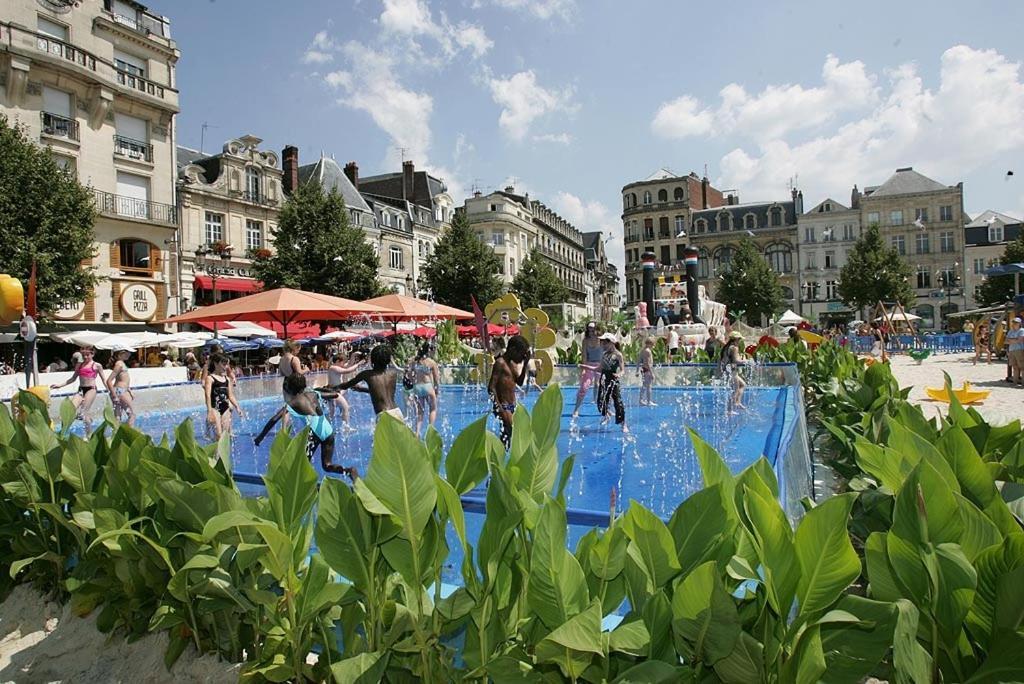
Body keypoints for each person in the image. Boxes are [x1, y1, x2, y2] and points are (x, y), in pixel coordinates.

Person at [255, 373, 356, 479]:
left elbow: (274, 419)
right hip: (328, 430)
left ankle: (301, 488)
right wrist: (330, 391)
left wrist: (260, 437)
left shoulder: (293, 402)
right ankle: (348, 470)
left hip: (314, 432)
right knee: (327, 465)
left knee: (299, 464)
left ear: (290, 389)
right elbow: (334, 395)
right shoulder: (314, 393)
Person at [324, 344, 404, 422]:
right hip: (398, 413)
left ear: (372, 360)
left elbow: (346, 385)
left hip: (384, 416)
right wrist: (363, 389)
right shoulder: (393, 373)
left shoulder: (366, 374)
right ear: (388, 360)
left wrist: (332, 388)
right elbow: (380, 392)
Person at [488, 335, 531, 449]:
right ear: (512, 350)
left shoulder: (511, 365)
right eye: (521, 354)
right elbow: (491, 388)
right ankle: (499, 453)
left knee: (508, 435)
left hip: (512, 406)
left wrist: (525, 363)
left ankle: (500, 455)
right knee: (509, 430)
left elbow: (520, 382)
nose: (522, 357)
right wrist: (499, 407)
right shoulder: (500, 363)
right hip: (503, 406)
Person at [50, 346, 105, 431]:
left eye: (87, 355)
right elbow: (73, 378)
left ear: (92, 354)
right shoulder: (79, 365)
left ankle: (88, 435)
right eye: (83, 355)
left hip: (91, 389)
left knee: (83, 413)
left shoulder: (97, 365)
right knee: (69, 411)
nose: (85, 357)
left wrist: (111, 390)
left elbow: (104, 379)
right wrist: (60, 385)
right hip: (81, 390)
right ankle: (63, 433)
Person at [204, 353, 243, 440]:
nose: (225, 367)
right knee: (218, 434)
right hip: (215, 409)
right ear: (216, 363)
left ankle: (222, 453)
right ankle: (215, 452)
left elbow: (231, 396)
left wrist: (238, 407)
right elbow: (207, 395)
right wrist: (209, 410)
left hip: (225, 408)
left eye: (226, 364)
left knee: (225, 435)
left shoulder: (227, 379)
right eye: (223, 364)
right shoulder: (210, 378)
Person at [596, 333, 628, 432]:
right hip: (604, 379)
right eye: (602, 343)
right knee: (601, 401)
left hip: (613, 379)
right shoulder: (604, 355)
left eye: (605, 343)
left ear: (611, 343)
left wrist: (619, 374)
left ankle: (623, 424)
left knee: (618, 402)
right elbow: (599, 368)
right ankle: (607, 416)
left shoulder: (618, 355)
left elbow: (623, 370)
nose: (603, 345)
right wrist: (585, 367)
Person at [572, 322, 604, 417]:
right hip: (589, 365)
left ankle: (605, 409)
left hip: (600, 365)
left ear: (597, 329)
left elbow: (606, 353)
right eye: (589, 329)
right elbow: (584, 356)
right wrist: (584, 369)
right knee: (584, 387)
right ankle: (576, 410)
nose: (591, 331)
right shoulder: (585, 341)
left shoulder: (602, 340)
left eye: (593, 329)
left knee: (601, 386)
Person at [326, 351, 363, 429]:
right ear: (337, 361)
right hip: (333, 391)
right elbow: (347, 370)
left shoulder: (337, 366)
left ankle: (332, 426)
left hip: (336, 390)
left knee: (333, 412)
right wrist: (358, 364)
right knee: (344, 407)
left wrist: (353, 355)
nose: (344, 365)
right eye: (343, 363)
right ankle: (346, 427)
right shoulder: (333, 368)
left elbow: (349, 366)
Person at [409, 343, 441, 435]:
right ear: (428, 351)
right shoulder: (431, 362)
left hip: (417, 387)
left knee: (419, 412)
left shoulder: (414, 362)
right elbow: (436, 379)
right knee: (433, 409)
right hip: (428, 387)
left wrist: (413, 383)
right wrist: (437, 390)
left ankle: (417, 432)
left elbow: (410, 375)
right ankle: (430, 431)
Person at [105, 348, 136, 426]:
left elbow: (123, 379)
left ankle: (116, 434)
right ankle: (127, 434)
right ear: (121, 353)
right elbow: (109, 381)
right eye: (127, 352)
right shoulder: (119, 364)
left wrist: (129, 390)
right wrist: (115, 395)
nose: (129, 354)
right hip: (120, 391)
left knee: (117, 417)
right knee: (132, 415)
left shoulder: (121, 363)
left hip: (120, 390)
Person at [719, 331, 746, 412]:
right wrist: (746, 361)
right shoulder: (734, 348)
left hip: (727, 370)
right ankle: (729, 411)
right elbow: (736, 361)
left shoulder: (726, 347)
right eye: (739, 340)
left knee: (742, 385)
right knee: (734, 390)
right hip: (732, 371)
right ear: (736, 339)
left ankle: (737, 402)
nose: (739, 341)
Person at [638, 336, 655, 407]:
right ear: (650, 344)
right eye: (653, 344)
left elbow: (638, 361)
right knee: (649, 386)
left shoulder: (643, 350)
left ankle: (641, 400)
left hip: (644, 370)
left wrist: (637, 370)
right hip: (647, 370)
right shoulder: (648, 351)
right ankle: (649, 401)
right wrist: (652, 373)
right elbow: (648, 363)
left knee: (644, 385)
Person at [1006, 317, 1023, 386]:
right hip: (1012, 350)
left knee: (1022, 367)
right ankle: (1015, 383)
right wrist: (1014, 340)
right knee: (1015, 367)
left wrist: (1011, 340)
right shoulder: (1011, 331)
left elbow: (1020, 340)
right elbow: (1006, 341)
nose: (1014, 324)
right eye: (1013, 322)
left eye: (1016, 322)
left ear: (1019, 323)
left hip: (1019, 350)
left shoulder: (1022, 330)